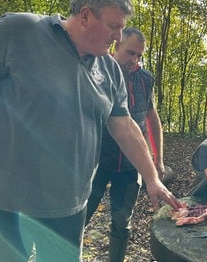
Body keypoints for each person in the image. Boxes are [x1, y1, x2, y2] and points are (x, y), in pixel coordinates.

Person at [0, 0, 181, 261]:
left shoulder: (110, 70)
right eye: (113, 26)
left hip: (67, 206)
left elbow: (125, 127)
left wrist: (151, 177)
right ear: (85, 16)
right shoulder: (18, 31)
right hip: (2, 203)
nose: (118, 36)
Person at [85, 26, 164, 262]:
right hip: (97, 161)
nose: (135, 60)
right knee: (80, 216)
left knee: (122, 221)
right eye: (130, 53)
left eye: (139, 55)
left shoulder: (145, 78)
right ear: (116, 45)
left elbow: (151, 116)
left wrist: (157, 158)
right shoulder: (95, 71)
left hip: (131, 165)